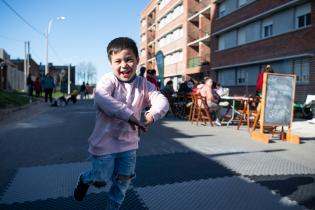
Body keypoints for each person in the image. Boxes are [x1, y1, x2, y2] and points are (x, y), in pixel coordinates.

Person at [73, 37, 169, 210]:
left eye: (129, 59)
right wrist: (130, 116)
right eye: (118, 61)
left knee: (123, 181)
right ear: (111, 63)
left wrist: (151, 115)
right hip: (104, 143)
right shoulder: (108, 81)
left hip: (129, 146)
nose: (124, 65)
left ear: (138, 61)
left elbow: (161, 100)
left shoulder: (144, 85)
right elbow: (102, 99)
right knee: (100, 179)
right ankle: (84, 179)